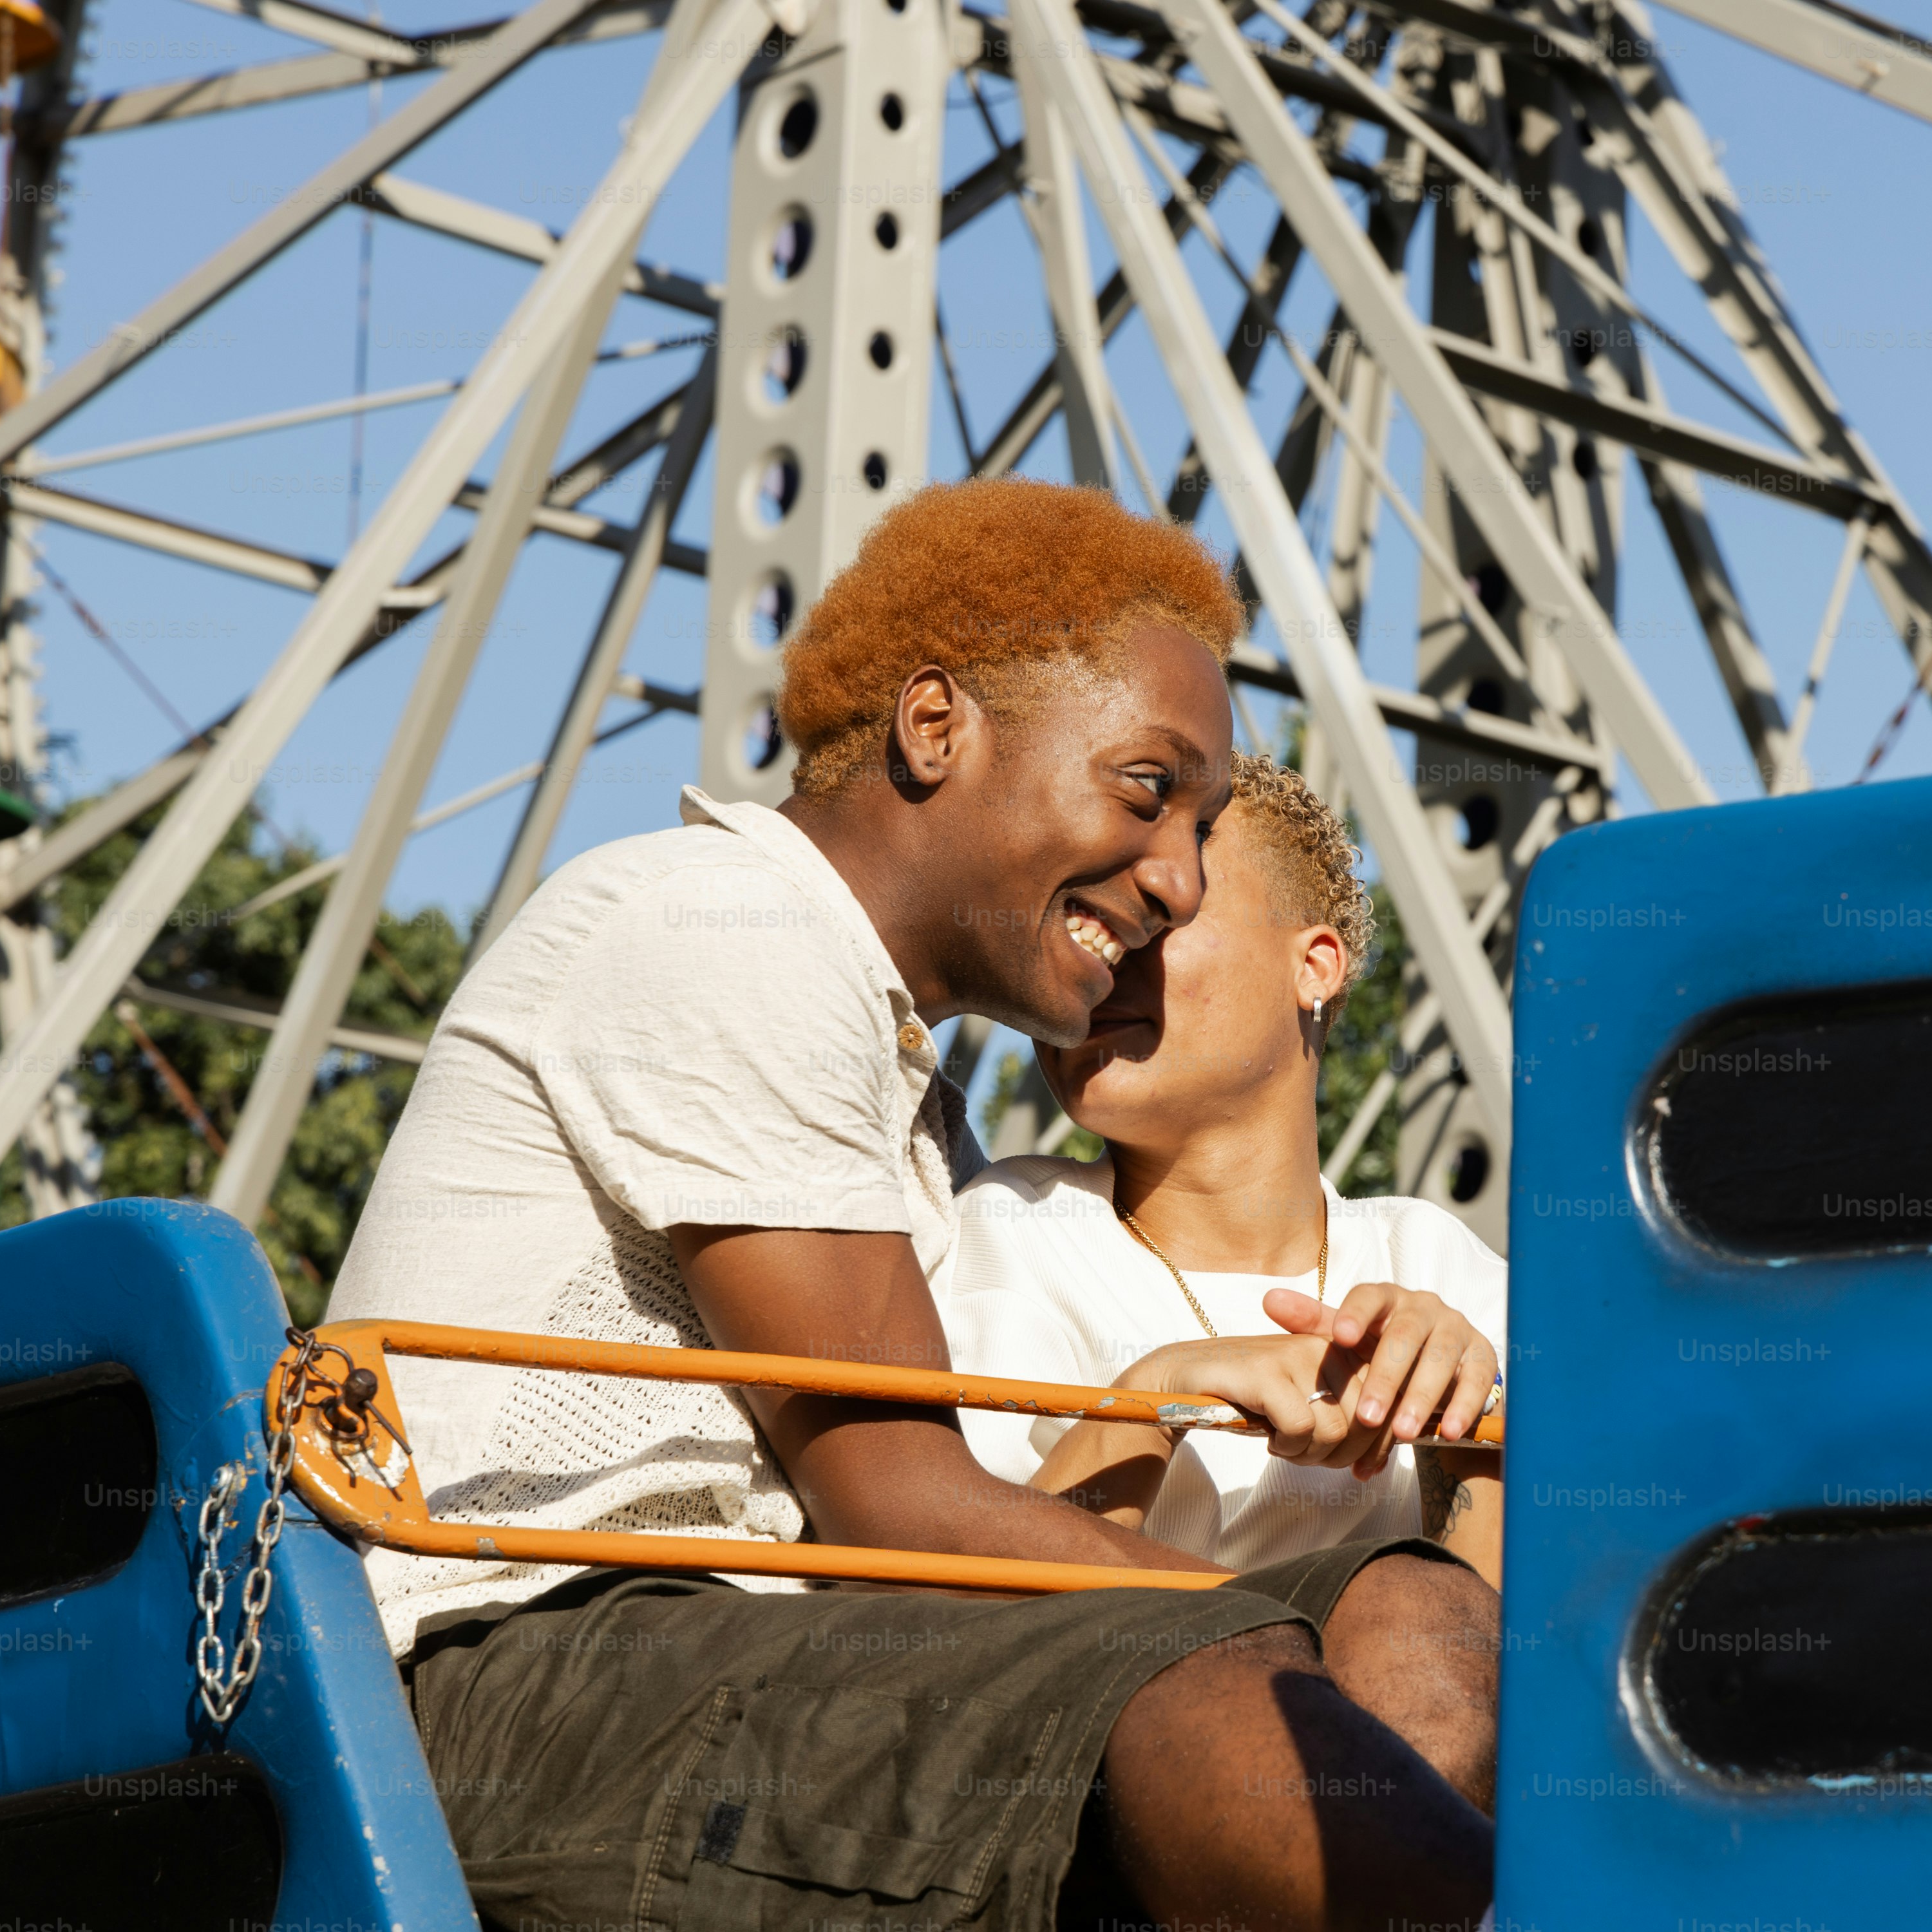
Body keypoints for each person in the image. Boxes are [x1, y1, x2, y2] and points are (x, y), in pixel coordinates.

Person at [325, 479, 1498, 1932]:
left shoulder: (904, 1094)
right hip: (513, 1679)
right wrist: (1249, 1625)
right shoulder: (724, 928)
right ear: (937, 730)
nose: (1174, 877)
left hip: (750, 1656)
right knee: (1223, 1680)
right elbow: (895, 1498)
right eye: (1147, 792)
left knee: (1404, 1617)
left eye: (1202, 832)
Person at [938, 753, 1506, 1584]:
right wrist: (1162, 1393)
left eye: (1157, 917)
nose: (1101, 958)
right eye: (1079, 922)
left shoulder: (1435, 1264)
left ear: (1313, 965)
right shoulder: (1009, 1233)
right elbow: (981, 1630)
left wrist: (1472, 1420)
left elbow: (1511, 1652)